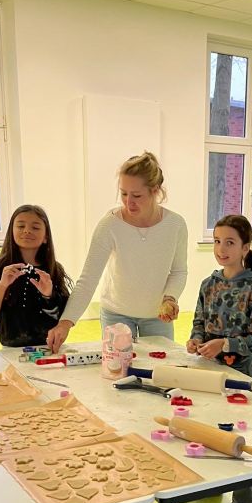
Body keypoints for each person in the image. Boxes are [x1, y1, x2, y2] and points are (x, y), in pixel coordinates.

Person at [47, 151, 187, 352]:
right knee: (117, 367)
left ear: (155, 191)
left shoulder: (175, 225)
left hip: (157, 317)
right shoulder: (109, 225)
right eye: (124, 193)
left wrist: (170, 298)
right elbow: (88, 280)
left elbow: (179, 271)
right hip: (116, 314)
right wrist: (65, 323)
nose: (128, 202)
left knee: (159, 368)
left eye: (136, 195)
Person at [188, 214, 252, 503]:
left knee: (238, 435)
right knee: (210, 428)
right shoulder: (208, 284)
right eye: (217, 241)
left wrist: (225, 344)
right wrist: (196, 340)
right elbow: (198, 321)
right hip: (208, 372)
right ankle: (213, 484)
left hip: (240, 377)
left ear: (245, 247)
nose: (221, 249)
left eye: (230, 242)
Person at [0, 204, 71, 348]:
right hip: (10, 350)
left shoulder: (54, 270)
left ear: (46, 237)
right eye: (21, 226)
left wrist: (48, 295)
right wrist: (2, 285)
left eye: (35, 227)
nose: (27, 231)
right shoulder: (0, 268)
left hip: (48, 348)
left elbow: (64, 316)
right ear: (11, 232)